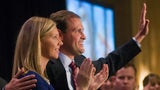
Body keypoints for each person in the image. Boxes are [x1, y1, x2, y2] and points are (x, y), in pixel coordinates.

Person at [46, 2, 149, 90]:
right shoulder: (45, 67)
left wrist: (139, 37)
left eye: (83, 31)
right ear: (60, 35)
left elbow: (110, 61)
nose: (84, 36)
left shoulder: (82, 63)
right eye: (78, 31)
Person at [12, 16, 109, 90]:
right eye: (55, 37)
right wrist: (82, 87)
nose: (60, 42)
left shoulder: (38, 78)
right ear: (38, 41)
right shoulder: (32, 80)